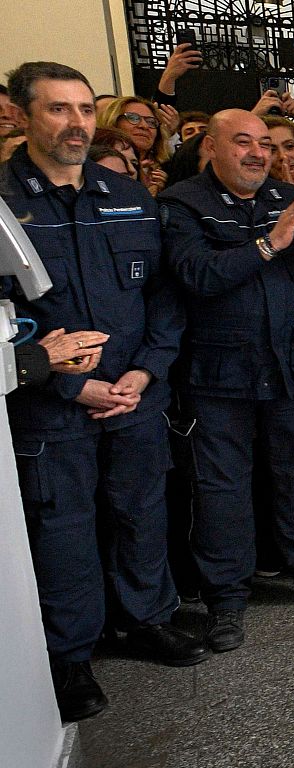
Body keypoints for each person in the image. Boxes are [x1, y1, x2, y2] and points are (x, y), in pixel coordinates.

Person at [4, 61, 205, 722]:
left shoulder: (128, 195)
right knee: (63, 530)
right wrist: (74, 388)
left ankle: (145, 620)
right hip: (52, 410)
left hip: (134, 397)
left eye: (86, 109)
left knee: (141, 511)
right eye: (59, 109)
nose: (76, 124)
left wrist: (146, 371)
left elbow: (164, 298)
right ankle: (69, 655)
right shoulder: (4, 205)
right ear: (23, 115)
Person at [158, 109, 294, 650]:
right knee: (222, 486)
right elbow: (197, 275)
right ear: (211, 146)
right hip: (219, 372)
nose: (257, 153)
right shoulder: (183, 203)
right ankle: (226, 597)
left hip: (289, 365)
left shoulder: (285, 196)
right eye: (243, 143)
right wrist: (267, 244)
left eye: (264, 145)